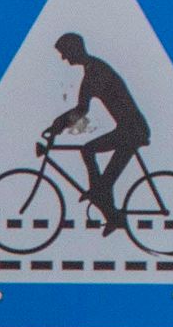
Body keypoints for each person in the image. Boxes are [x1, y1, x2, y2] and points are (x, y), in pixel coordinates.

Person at [38, 30, 150, 235]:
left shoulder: (96, 72)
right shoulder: (92, 70)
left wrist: (59, 125)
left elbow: (82, 109)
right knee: (99, 177)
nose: (64, 58)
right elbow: (82, 109)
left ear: (75, 50)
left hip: (133, 131)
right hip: (129, 129)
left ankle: (99, 195)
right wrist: (59, 125)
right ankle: (109, 210)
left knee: (89, 152)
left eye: (65, 52)